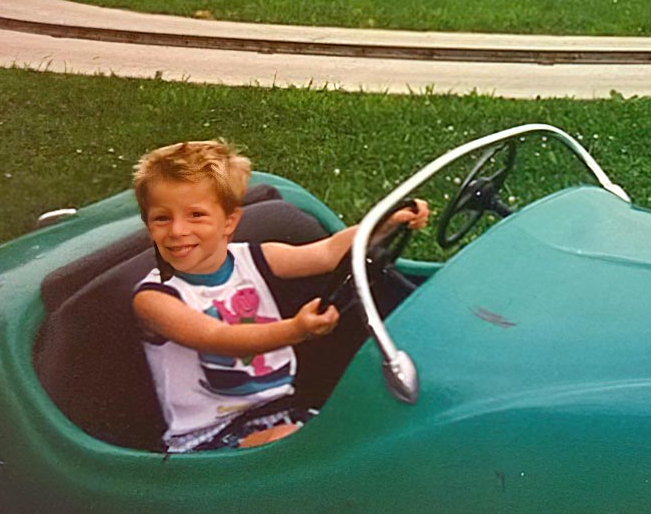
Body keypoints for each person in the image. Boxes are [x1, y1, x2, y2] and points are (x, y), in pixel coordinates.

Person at [131, 139, 428, 453]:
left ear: (229, 221)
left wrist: (386, 223)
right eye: (162, 218)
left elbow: (326, 253)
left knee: (365, 424)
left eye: (195, 216)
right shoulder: (155, 298)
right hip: (209, 438)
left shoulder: (252, 258)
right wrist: (295, 330)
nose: (177, 230)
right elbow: (218, 336)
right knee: (311, 448)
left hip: (277, 412)